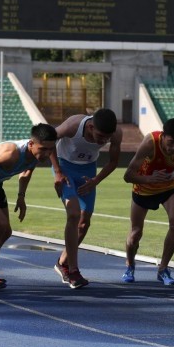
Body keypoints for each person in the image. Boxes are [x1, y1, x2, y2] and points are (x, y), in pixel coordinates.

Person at [0, 123, 58, 291]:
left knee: (6, 231)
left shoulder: (36, 154)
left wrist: (21, 197)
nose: (47, 154)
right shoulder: (10, 154)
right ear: (31, 144)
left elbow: (27, 170)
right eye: (43, 149)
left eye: (51, 150)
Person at [51, 109, 122, 289]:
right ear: (90, 126)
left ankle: (63, 263)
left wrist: (96, 180)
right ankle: (73, 271)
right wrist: (58, 172)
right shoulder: (74, 125)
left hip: (88, 170)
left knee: (84, 223)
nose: (103, 141)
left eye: (107, 137)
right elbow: (49, 139)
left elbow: (113, 162)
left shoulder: (116, 134)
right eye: (100, 136)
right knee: (73, 214)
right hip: (65, 166)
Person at [123, 118, 174, 286]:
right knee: (135, 234)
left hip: (170, 188)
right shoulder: (149, 144)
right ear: (163, 136)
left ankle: (163, 269)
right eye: (171, 143)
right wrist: (150, 178)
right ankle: (130, 265)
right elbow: (128, 176)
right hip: (144, 189)